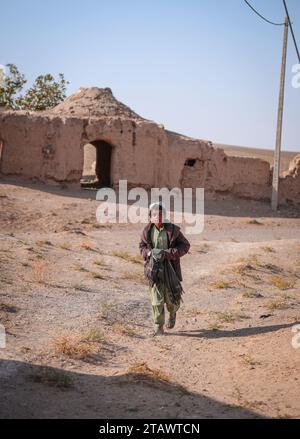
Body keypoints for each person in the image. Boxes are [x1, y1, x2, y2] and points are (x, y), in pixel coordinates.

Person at [139, 202, 190, 336]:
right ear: (150, 217)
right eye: (155, 215)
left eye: (160, 214)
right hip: (153, 269)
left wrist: (167, 253)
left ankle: (172, 313)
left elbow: (185, 246)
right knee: (156, 299)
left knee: (171, 298)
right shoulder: (147, 231)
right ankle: (158, 327)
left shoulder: (173, 230)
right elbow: (142, 247)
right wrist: (150, 253)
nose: (158, 217)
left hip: (170, 269)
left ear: (164, 216)